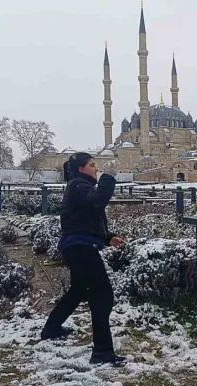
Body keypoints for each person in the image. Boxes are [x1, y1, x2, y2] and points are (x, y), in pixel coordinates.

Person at [40, 152, 128, 367]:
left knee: (79, 290)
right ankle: (102, 352)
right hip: (80, 248)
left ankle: (51, 329)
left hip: (77, 246)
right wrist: (109, 176)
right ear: (81, 169)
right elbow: (98, 201)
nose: (95, 169)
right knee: (102, 294)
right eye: (92, 165)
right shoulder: (79, 185)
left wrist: (108, 238)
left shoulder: (79, 185)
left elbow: (85, 219)